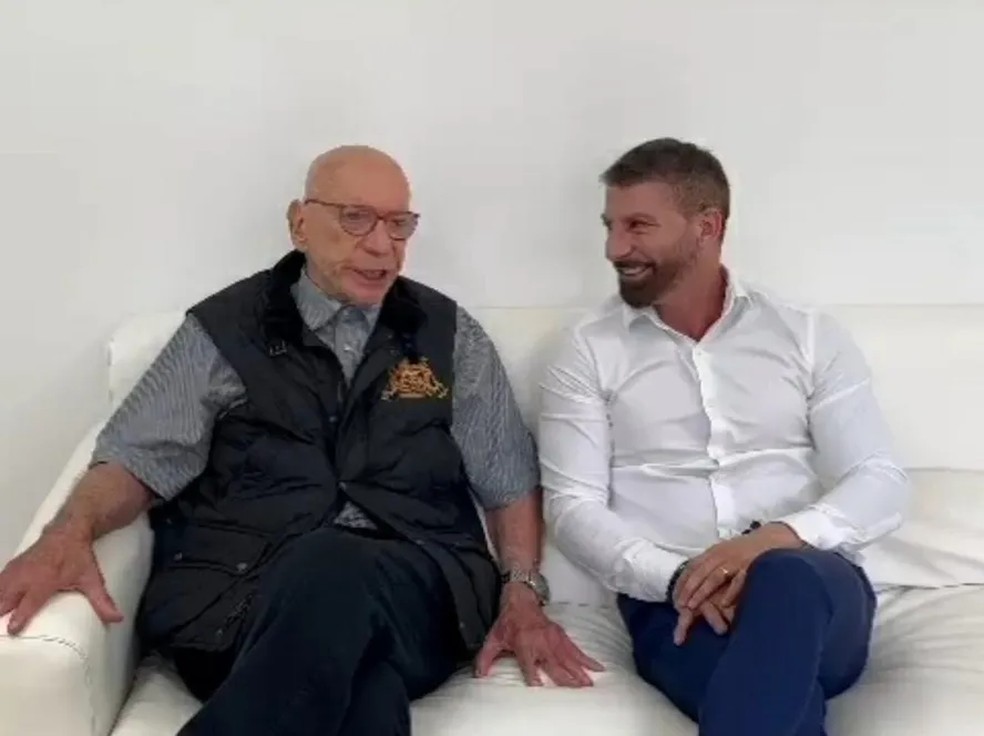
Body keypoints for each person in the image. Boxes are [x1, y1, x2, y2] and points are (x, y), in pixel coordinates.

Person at [0, 145, 602, 735]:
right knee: (367, 695)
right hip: (236, 599)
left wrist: (522, 592)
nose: (381, 245)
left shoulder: (447, 335)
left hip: (416, 590)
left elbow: (508, 480)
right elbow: (136, 456)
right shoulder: (225, 330)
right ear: (300, 224)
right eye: (356, 218)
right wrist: (67, 532)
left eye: (399, 224)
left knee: (332, 561)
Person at [538, 138, 910, 735]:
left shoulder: (807, 335)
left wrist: (772, 540)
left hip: (814, 592)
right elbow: (572, 508)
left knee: (784, 577)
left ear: (707, 226)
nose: (615, 248)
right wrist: (682, 578)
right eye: (610, 226)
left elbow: (880, 481)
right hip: (675, 609)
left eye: (638, 226)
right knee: (773, 698)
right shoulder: (587, 349)